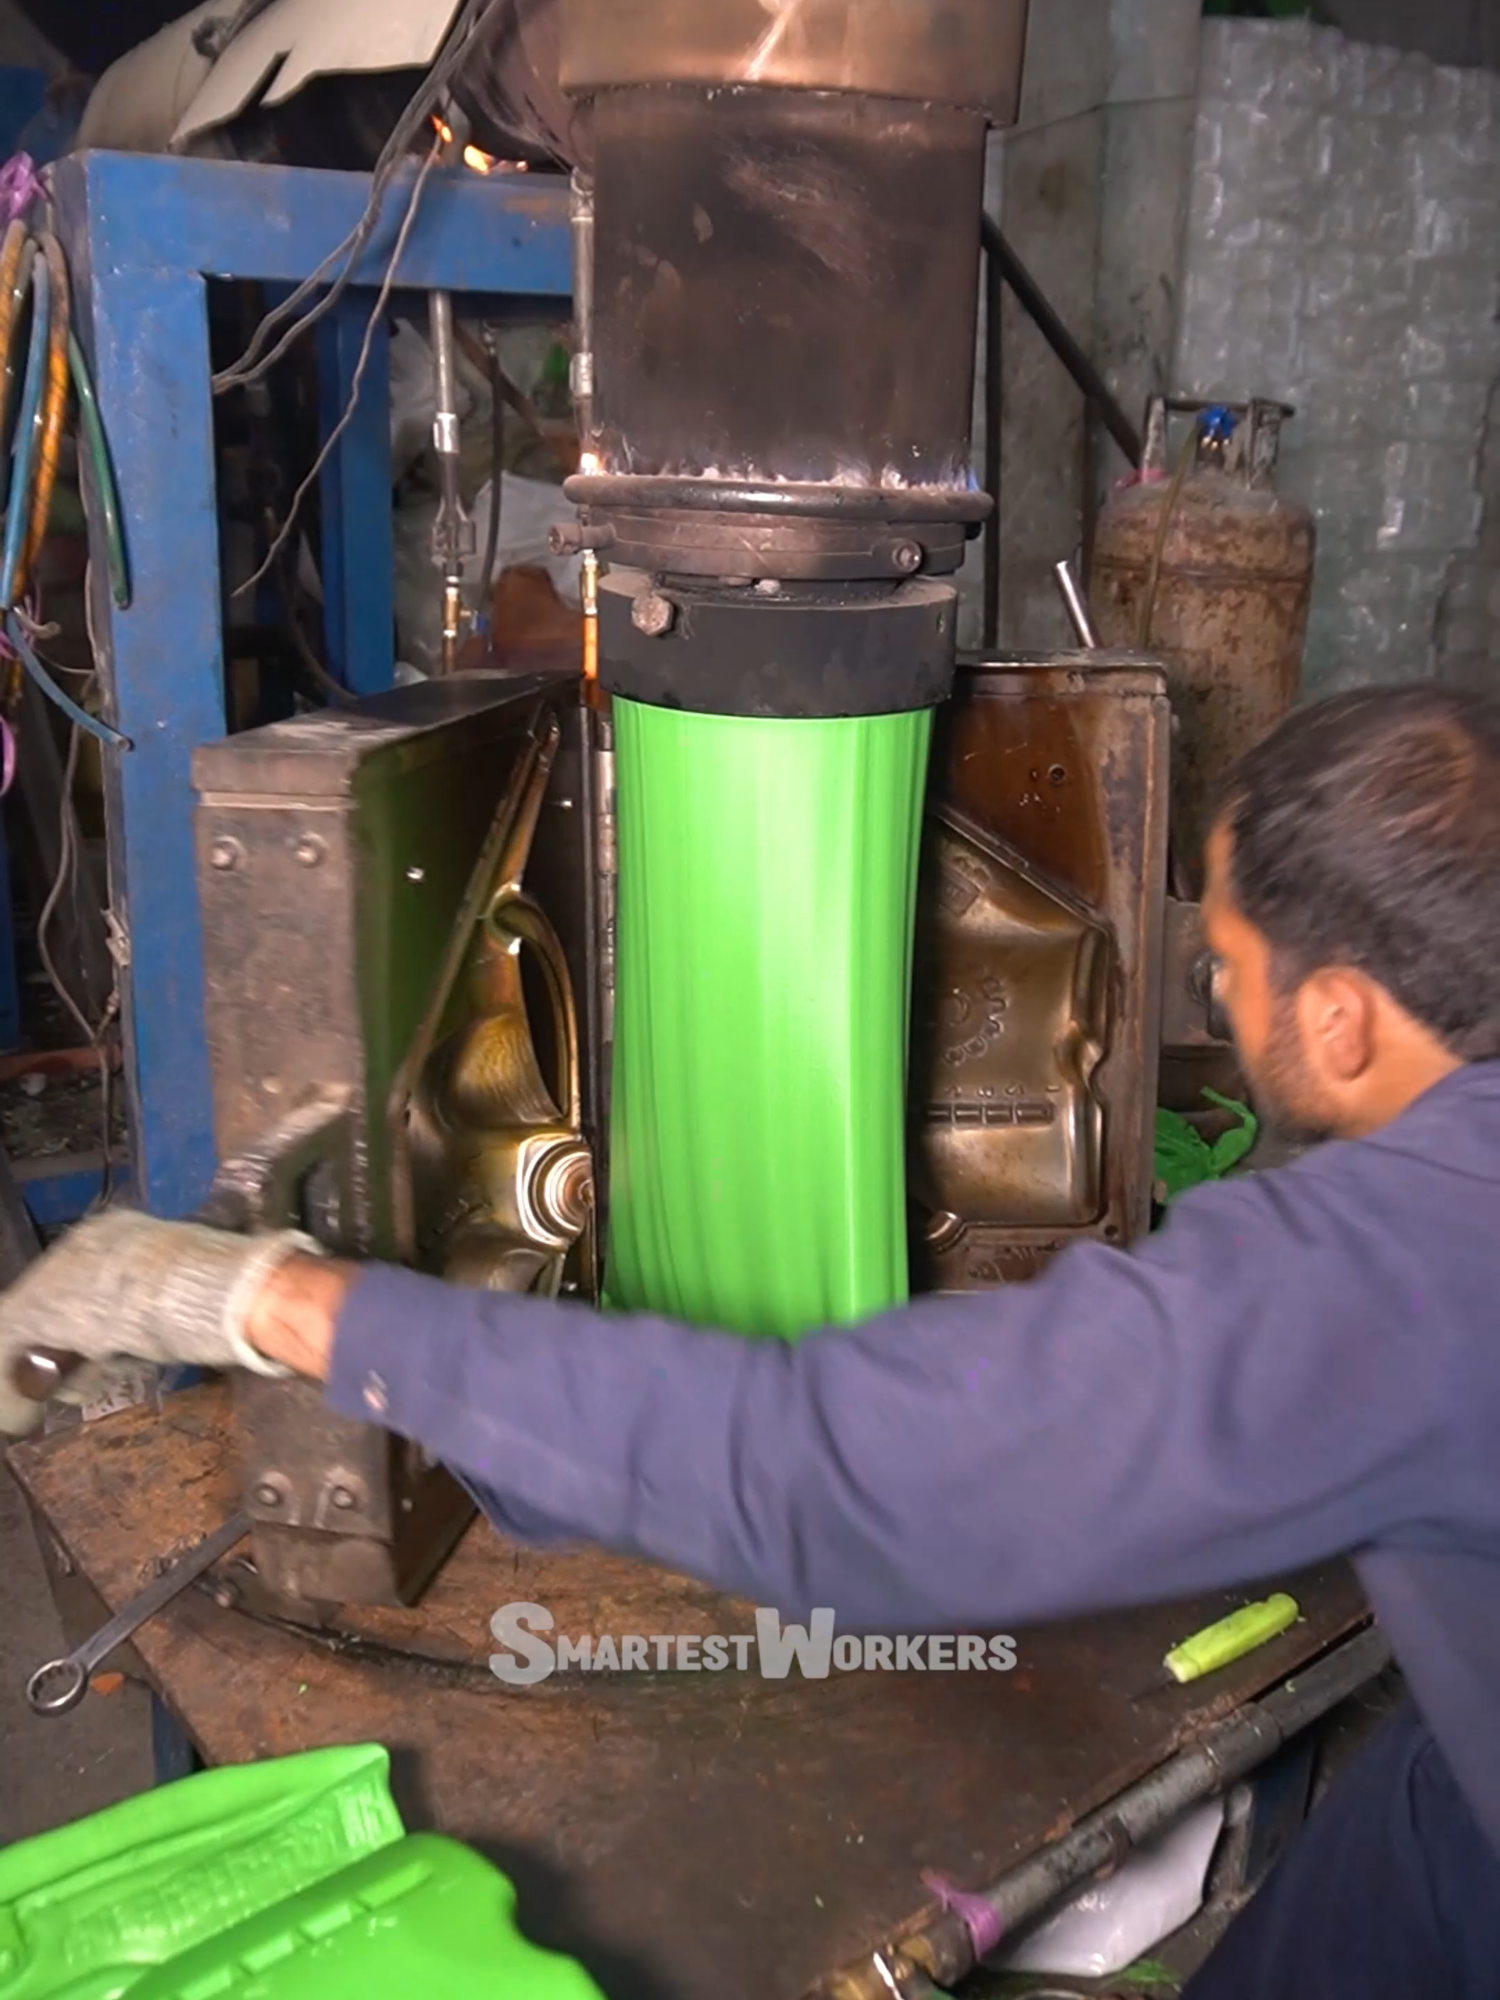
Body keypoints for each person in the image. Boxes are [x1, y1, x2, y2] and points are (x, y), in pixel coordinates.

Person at [4, 683, 1500, 1997]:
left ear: (1348, 1020)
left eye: (1226, 971)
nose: (1216, 1002)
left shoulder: (1407, 1269)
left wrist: (258, 1297)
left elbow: (839, 1476)